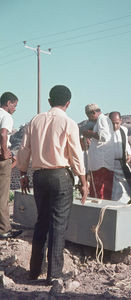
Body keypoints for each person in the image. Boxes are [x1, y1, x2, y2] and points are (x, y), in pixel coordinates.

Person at [17, 85, 88, 284]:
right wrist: (83, 181)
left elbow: (24, 149)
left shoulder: (35, 120)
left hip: (39, 176)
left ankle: (34, 271)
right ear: (68, 103)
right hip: (60, 175)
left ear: (49, 101)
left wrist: (23, 174)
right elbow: (76, 155)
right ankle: (54, 274)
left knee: (42, 221)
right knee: (58, 224)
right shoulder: (69, 123)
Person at [0, 92, 22, 239]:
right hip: (1, 159)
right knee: (3, 196)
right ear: (8, 103)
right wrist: (5, 151)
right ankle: (4, 229)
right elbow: (3, 134)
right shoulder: (6, 116)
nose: (14, 109)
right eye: (14, 106)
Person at [82, 104, 114, 200]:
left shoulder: (102, 119)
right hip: (101, 165)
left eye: (89, 117)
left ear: (93, 113)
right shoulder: (102, 120)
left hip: (101, 165)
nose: (90, 119)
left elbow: (104, 137)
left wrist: (89, 133)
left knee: (99, 195)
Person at [109, 111, 131, 203]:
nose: (115, 126)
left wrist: (129, 153)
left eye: (117, 123)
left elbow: (125, 143)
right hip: (110, 165)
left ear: (121, 121)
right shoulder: (105, 132)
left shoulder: (123, 130)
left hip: (122, 165)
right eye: (112, 123)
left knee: (127, 190)